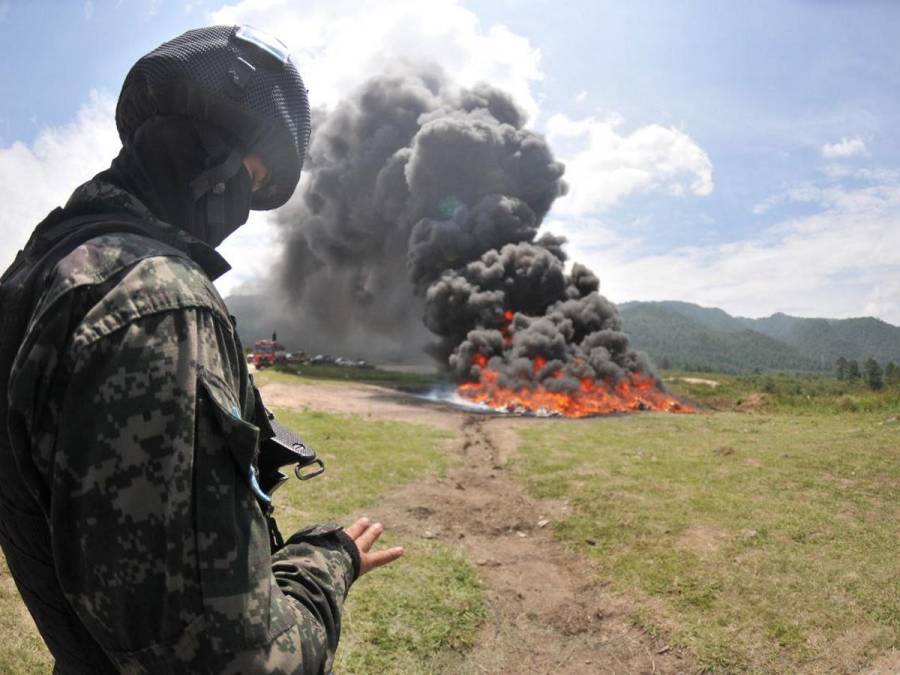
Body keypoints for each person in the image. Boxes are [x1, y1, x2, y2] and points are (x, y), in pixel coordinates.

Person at [0, 25, 402, 673]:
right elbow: (234, 660)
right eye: (254, 175)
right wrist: (325, 563)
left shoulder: (36, 278)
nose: (244, 205)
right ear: (217, 153)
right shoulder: (157, 299)